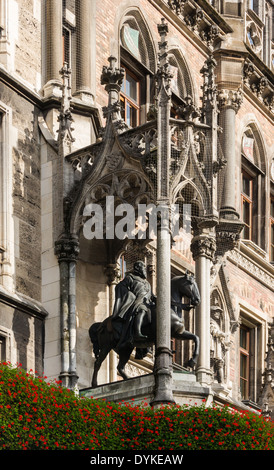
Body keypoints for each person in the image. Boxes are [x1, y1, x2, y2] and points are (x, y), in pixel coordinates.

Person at [111, 260, 155, 351]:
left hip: (148, 303)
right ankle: (137, 333)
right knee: (142, 309)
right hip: (138, 302)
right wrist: (129, 295)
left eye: (144, 267)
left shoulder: (147, 283)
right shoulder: (130, 277)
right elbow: (120, 287)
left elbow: (152, 295)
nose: (144, 269)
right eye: (142, 267)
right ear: (137, 268)